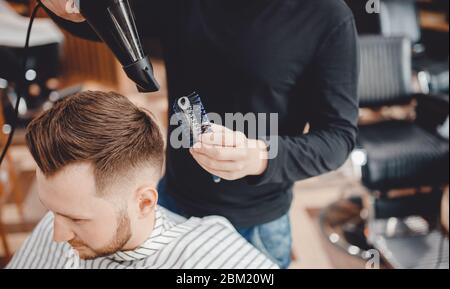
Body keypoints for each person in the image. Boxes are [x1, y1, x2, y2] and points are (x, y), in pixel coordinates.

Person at [40, 0, 360, 268]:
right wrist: (63, 5)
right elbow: (98, 19)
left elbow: (338, 137)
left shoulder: (327, 17)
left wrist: (261, 156)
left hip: (255, 221)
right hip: (171, 199)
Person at [6, 91, 278, 269]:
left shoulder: (213, 261)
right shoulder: (60, 224)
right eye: (52, 211)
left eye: (78, 220)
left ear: (145, 202)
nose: (58, 234)